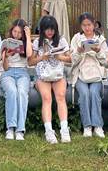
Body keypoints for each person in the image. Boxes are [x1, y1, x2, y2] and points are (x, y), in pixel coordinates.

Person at [28, 15, 72, 144]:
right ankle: (49, 131)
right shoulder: (37, 42)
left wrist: (59, 57)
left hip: (58, 75)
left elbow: (70, 59)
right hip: (43, 75)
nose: (50, 32)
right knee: (46, 98)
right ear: (42, 29)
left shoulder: (61, 41)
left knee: (61, 96)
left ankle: (64, 129)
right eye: (47, 29)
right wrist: (42, 57)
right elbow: (30, 62)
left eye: (52, 29)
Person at [69, 12, 108, 138]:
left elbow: (105, 61)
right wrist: (79, 52)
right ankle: (87, 126)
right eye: (84, 25)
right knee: (84, 94)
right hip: (80, 74)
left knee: (94, 93)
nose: (87, 28)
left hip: (96, 74)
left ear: (94, 24)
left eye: (89, 25)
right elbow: (72, 60)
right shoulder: (76, 38)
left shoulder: (100, 39)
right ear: (81, 26)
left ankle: (98, 126)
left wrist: (98, 51)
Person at [0, 19, 33, 140]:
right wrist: (6, 57)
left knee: (22, 92)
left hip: (22, 72)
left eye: (19, 32)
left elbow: (29, 55)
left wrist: (28, 37)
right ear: (11, 31)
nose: (16, 35)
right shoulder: (6, 42)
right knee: (12, 91)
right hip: (8, 73)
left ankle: (20, 130)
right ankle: (10, 128)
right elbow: (5, 67)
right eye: (14, 31)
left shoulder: (26, 43)